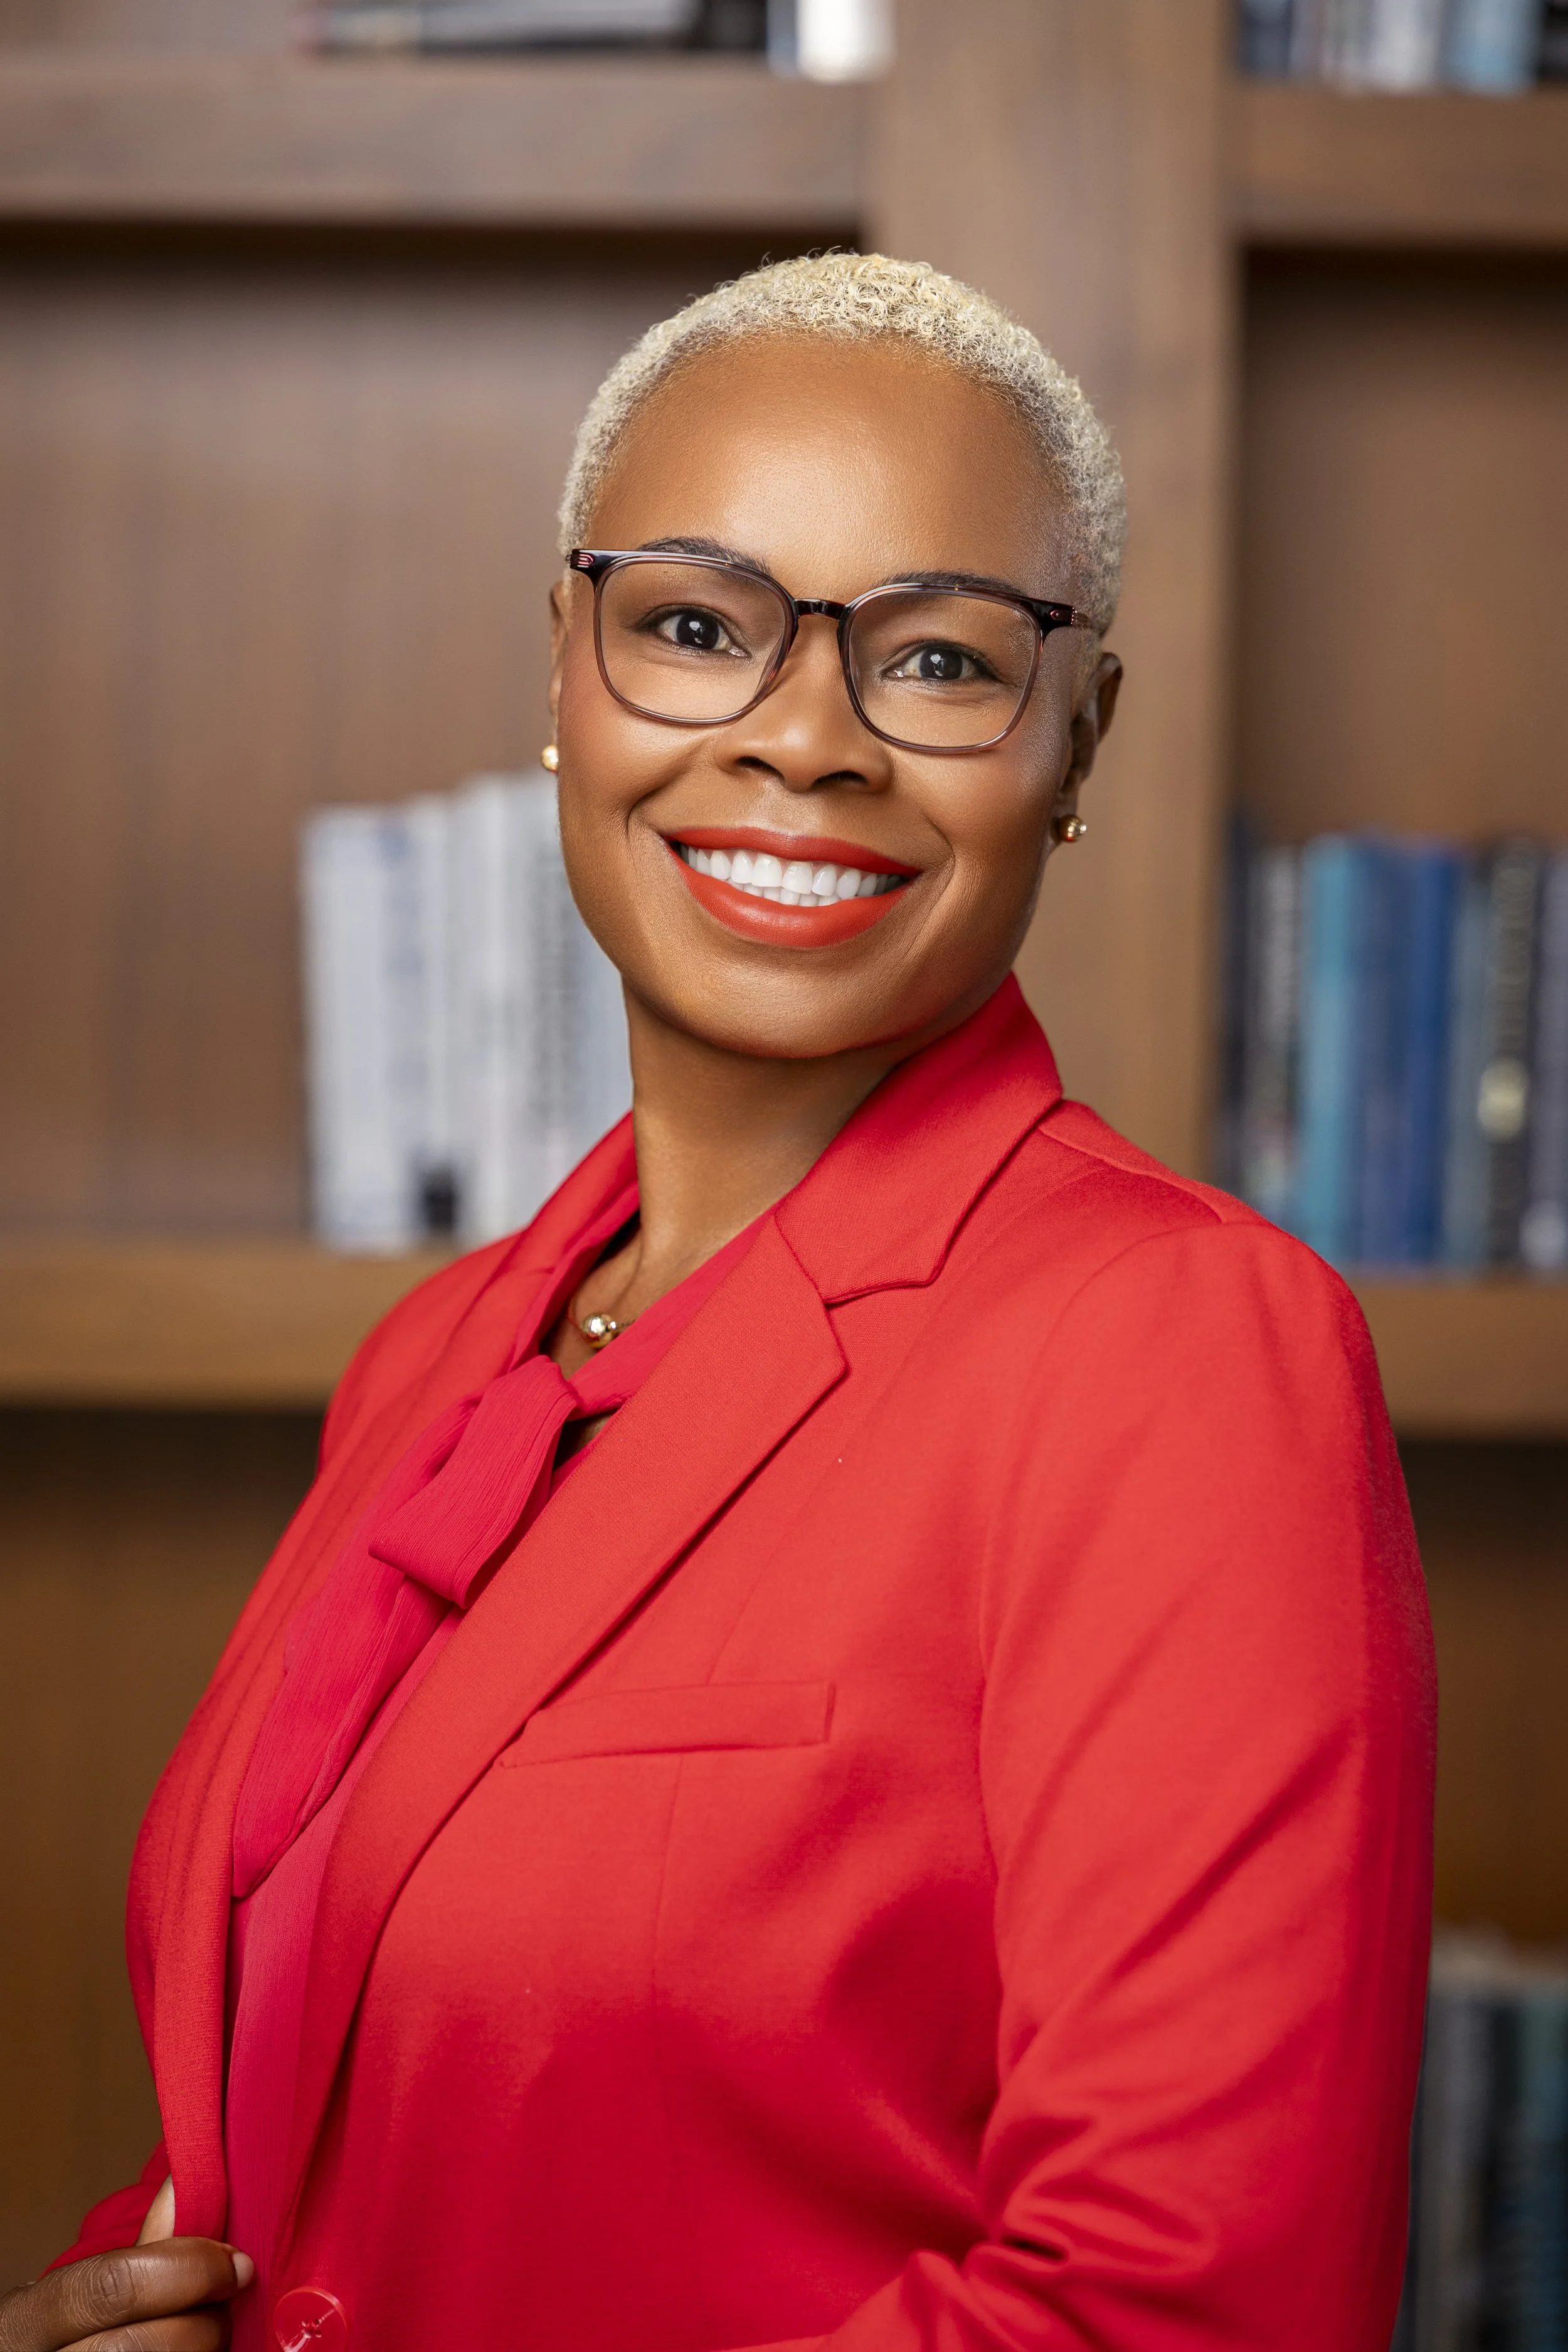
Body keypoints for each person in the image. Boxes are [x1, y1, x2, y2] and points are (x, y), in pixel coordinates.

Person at [1, 253, 1434, 2352]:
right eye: (691, 624)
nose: (799, 739)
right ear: (564, 670)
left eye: (938, 661)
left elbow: (1174, 2314)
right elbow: (343, 2099)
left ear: (1073, 736)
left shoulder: (1184, 1350)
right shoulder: (438, 1356)